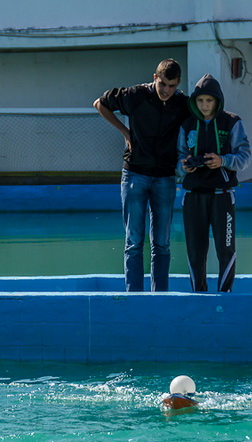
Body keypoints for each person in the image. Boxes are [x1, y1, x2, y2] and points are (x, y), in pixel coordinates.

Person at [94, 59, 190, 292]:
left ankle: (160, 295)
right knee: (134, 241)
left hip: (166, 177)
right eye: (164, 84)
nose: (167, 90)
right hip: (135, 173)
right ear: (155, 78)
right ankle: (134, 295)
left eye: (173, 86)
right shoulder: (135, 95)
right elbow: (100, 103)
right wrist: (125, 131)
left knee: (162, 244)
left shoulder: (181, 103)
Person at [177, 74, 252, 292]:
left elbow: (245, 157)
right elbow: (179, 157)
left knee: (225, 249)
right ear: (194, 101)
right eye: (200, 101)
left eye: (209, 101)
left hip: (222, 195)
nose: (204, 105)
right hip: (193, 197)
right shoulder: (188, 124)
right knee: (195, 251)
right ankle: (198, 294)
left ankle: (224, 294)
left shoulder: (232, 122)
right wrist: (185, 166)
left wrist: (222, 161)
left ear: (217, 101)